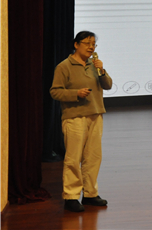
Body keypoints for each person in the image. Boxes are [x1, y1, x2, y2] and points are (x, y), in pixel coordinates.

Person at [50, 31, 113, 212]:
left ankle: (90, 194)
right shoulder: (64, 66)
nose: (91, 47)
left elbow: (108, 85)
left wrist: (102, 71)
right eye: (87, 43)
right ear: (76, 45)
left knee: (93, 157)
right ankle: (71, 196)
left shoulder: (95, 65)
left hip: (96, 115)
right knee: (73, 158)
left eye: (93, 44)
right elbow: (55, 91)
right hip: (74, 117)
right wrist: (75, 93)